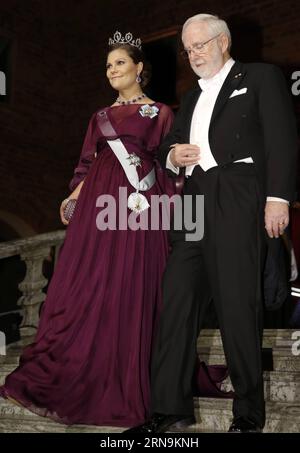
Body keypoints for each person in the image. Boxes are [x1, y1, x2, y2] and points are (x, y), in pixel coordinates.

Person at [125, 14, 298, 433]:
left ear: (223, 41)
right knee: (177, 301)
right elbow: (169, 143)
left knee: (238, 306)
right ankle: (170, 410)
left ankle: (248, 416)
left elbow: (282, 138)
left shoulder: (259, 77)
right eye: (188, 49)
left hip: (239, 196)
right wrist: (171, 155)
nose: (193, 54)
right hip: (194, 202)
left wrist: (278, 199)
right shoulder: (190, 95)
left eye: (200, 44)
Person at [0, 32, 176, 427]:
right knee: (91, 282)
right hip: (98, 204)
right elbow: (86, 164)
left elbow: (168, 165)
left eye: (119, 63)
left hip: (138, 206)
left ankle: (127, 370)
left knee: (130, 283)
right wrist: (73, 197)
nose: (112, 70)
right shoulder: (99, 117)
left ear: (139, 68)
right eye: (108, 65)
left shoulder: (161, 113)